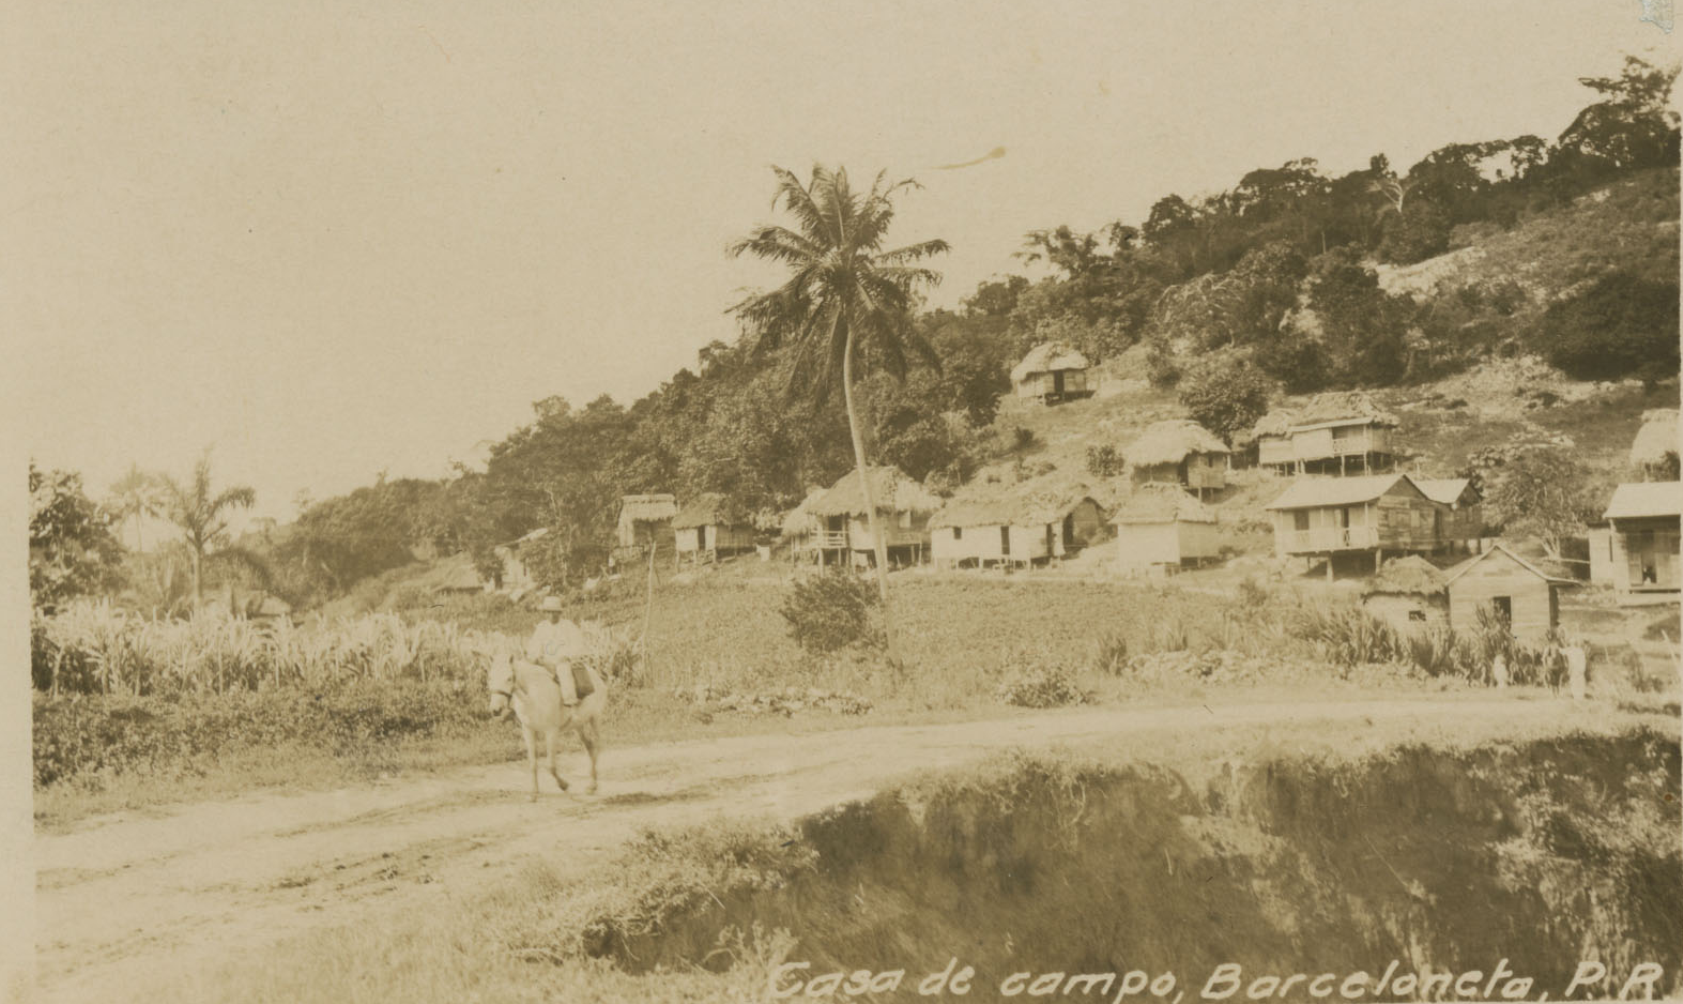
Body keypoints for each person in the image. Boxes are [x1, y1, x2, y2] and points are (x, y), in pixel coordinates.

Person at [526, 595, 589, 706]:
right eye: (548, 612)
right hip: (545, 662)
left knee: (563, 670)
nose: (551, 615)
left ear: (560, 613)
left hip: (563, 661)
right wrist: (538, 659)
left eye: (554, 612)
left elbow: (578, 644)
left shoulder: (568, 626)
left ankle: (570, 701)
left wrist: (567, 656)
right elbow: (534, 646)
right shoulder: (542, 627)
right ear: (545, 613)